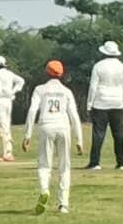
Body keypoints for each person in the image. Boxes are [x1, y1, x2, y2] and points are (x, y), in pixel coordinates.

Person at [22, 60, 83, 215]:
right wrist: (79, 139)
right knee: (64, 167)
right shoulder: (66, 91)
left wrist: (27, 135)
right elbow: (74, 115)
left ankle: (44, 190)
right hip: (63, 127)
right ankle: (63, 204)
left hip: (46, 126)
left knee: (44, 165)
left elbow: (32, 111)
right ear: (61, 74)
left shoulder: (40, 90)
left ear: (46, 72)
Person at [86, 40, 123, 170]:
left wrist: (89, 104)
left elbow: (93, 87)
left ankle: (95, 162)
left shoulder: (98, 66)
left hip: (101, 102)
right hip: (117, 102)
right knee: (118, 133)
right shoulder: (122, 67)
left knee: (98, 133)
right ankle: (121, 162)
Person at [0, 56, 25, 161]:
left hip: (1, 101)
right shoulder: (9, 73)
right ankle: (7, 152)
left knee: (3, 127)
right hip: (8, 101)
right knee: (6, 126)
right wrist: (13, 92)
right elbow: (21, 81)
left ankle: (7, 154)